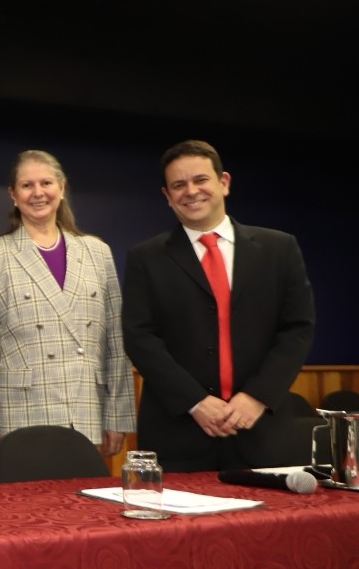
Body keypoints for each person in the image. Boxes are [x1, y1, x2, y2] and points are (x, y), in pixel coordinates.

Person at [122, 140, 315, 472]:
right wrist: (195, 402)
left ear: (224, 182)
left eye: (200, 180)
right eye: (178, 185)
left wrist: (256, 397)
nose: (191, 191)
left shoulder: (279, 248)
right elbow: (139, 337)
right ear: (167, 196)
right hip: (179, 435)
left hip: (262, 433)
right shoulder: (145, 258)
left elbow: (297, 329)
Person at [0, 150, 134, 467]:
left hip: (86, 412)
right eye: (27, 185)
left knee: (86, 514)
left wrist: (117, 415)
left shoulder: (97, 252)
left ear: (62, 187)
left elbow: (116, 340)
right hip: (18, 417)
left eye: (46, 182)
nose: (38, 192)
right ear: (13, 195)